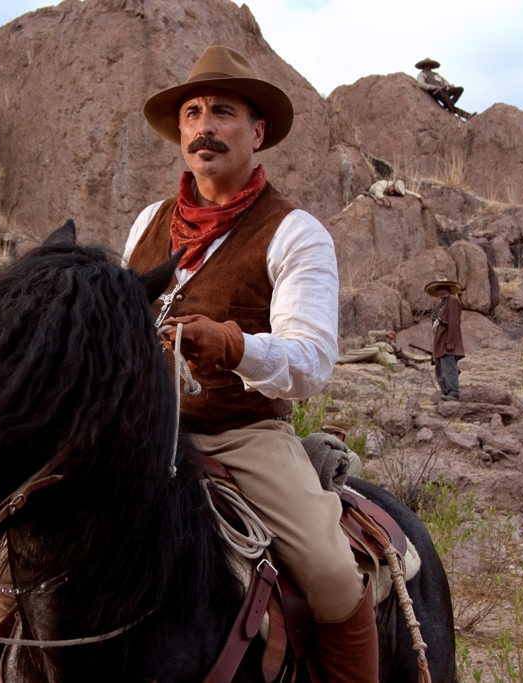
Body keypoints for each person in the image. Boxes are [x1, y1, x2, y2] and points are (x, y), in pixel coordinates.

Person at [123, 45, 377, 682]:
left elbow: (312, 363)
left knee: (331, 574)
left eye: (223, 113)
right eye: (192, 114)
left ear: (257, 133)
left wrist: (235, 346)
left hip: (241, 435)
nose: (204, 127)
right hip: (139, 433)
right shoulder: (149, 223)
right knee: (15, 543)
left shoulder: (295, 231)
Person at [426, 278, 465, 401]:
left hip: (446, 341)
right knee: (440, 369)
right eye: (439, 289)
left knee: (448, 366)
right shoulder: (440, 305)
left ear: (448, 290)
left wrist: (450, 341)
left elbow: (454, 322)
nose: (441, 292)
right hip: (439, 341)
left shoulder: (452, 302)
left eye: (443, 289)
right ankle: (446, 392)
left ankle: (453, 391)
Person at [336, 329, 429, 369]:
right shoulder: (375, 342)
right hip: (373, 349)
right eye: (388, 337)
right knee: (355, 354)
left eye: (392, 338)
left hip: (383, 354)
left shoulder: (395, 348)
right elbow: (370, 333)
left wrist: (427, 358)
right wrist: (385, 333)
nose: (390, 338)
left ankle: (394, 366)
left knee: (391, 358)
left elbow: (410, 355)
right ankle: (336, 360)